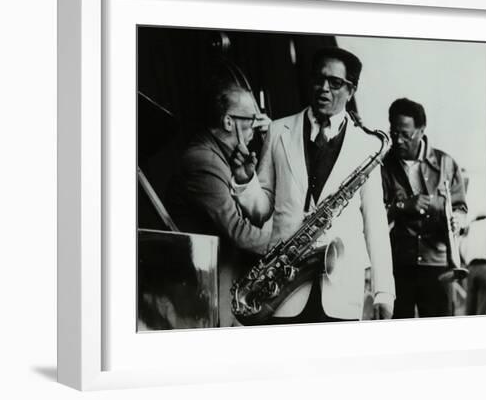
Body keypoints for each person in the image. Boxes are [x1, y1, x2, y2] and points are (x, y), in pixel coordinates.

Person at [231, 47, 395, 324]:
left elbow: (375, 225)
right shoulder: (278, 131)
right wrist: (246, 181)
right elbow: (262, 211)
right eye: (319, 80)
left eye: (335, 83)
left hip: (341, 289)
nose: (324, 88)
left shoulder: (367, 145)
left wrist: (384, 293)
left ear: (351, 91)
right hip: (282, 289)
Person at [166, 83, 271, 327]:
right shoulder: (203, 161)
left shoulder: (222, 155)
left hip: (222, 283)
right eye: (252, 119)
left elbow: (254, 217)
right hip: (206, 291)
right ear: (228, 122)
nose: (257, 126)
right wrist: (284, 242)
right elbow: (239, 232)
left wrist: (245, 179)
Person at [381, 97, 468, 318]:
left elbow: (461, 208)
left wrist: (458, 219)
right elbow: (375, 215)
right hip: (400, 264)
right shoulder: (383, 166)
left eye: (405, 134)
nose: (398, 140)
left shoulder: (447, 164)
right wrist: (402, 205)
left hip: (438, 265)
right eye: (393, 133)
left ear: (421, 130)